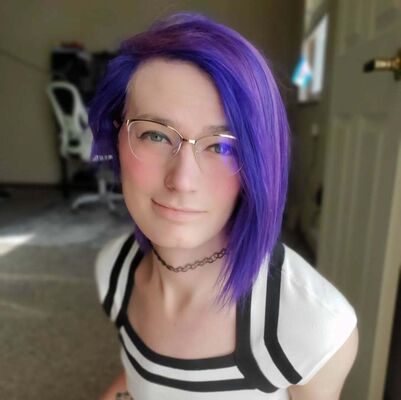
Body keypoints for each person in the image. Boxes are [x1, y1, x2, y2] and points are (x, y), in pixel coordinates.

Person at [89, 12, 359, 400]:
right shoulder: (114, 271)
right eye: (155, 135)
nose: (182, 180)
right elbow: (140, 377)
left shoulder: (312, 326)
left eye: (222, 146)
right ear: (116, 138)